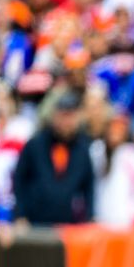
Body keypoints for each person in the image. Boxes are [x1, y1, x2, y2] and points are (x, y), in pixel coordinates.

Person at [11, 91, 96, 227]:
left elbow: (89, 186)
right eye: (63, 115)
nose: (66, 122)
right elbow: (19, 180)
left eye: (71, 116)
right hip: (35, 224)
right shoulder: (35, 144)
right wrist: (20, 215)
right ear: (54, 116)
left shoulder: (82, 149)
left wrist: (90, 216)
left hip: (68, 226)